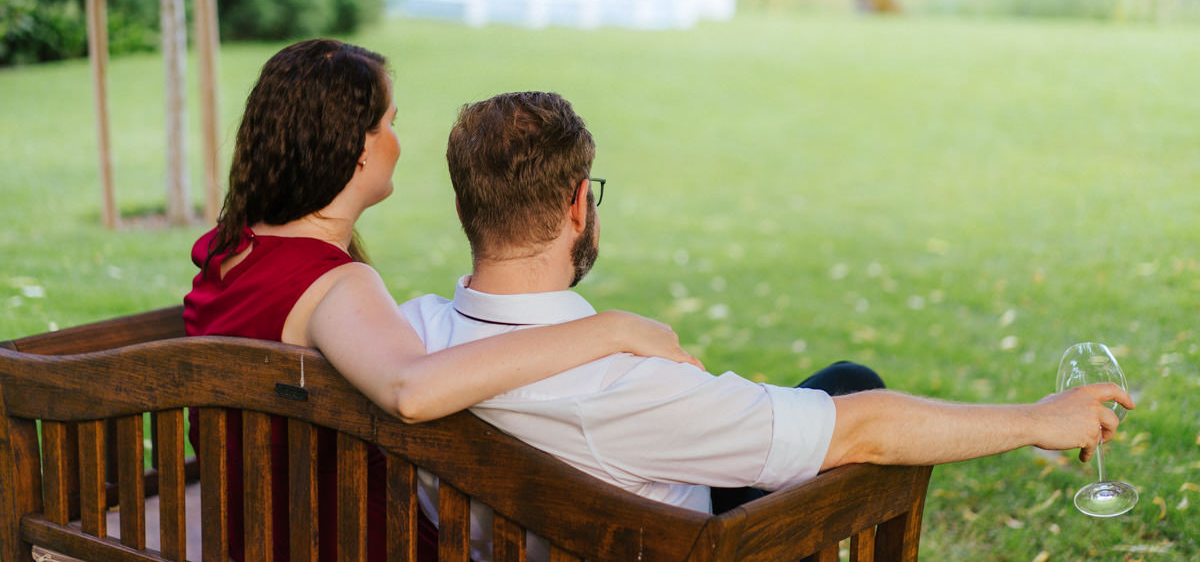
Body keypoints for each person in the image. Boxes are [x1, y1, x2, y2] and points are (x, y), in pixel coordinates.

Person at [399, 90, 1134, 556]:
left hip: (542, 524)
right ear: (575, 208)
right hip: (672, 540)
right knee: (858, 403)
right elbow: (866, 431)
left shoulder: (410, 341)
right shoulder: (621, 386)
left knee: (845, 382)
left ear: (468, 210)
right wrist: (1038, 419)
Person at [182, 41, 700, 562]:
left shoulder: (233, 253)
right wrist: (608, 330)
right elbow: (412, 390)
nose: (397, 142)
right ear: (356, 148)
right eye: (388, 123)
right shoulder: (330, 283)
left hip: (255, 536)